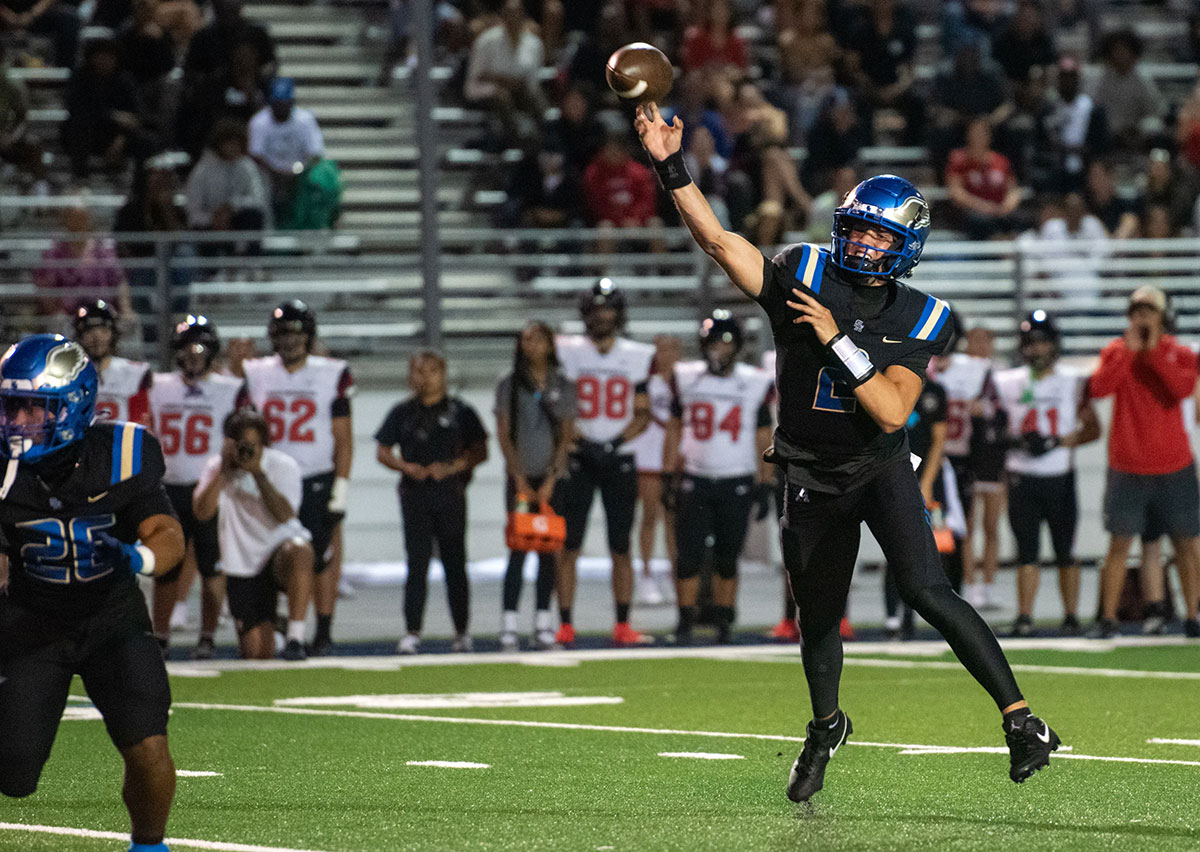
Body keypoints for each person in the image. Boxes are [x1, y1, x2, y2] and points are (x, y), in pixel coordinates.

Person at [635, 101, 1061, 803]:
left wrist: (834, 337)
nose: (861, 244)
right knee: (819, 617)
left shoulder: (923, 314)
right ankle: (826, 726)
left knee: (928, 590)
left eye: (877, 234)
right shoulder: (803, 268)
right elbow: (717, 241)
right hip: (809, 468)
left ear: (906, 245)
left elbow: (892, 410)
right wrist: (670, 166)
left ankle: (1021, 721)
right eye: (856, 229)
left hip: (878, 465)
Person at [0, 334, 185, 852]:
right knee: (14, 774)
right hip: (33, 621)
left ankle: (149, 847)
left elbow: (168, 534)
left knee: (148, 744)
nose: (17, 421)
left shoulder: (122, 453)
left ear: (75, 406)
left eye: (33, 408)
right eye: (11, 406)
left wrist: (135, 558)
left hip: (112, 617)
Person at [1088, 286, 1200, 638]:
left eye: (1149, 311)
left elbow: (1181, 389)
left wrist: (1151, 354)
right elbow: (1099, 389)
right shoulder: (1116, 351)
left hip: (1174, 463)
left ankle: (1192, 616)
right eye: (1137, 311)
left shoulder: (1180, 353)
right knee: (1119, 544)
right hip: (1127, 465)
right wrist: (1129, 353)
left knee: (1186, 543)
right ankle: (1108, 619)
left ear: (1163, 316)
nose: (1142, 317)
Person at [242, 301, 353, 655]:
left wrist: (341, 489)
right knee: (267, 555)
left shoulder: (331, 372)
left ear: (309, 336)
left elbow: (343, 437)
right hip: (269, 480)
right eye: (283, 334)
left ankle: (322, 631)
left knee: (319, 557)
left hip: (314, 478)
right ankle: (278, 624)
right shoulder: (257, 371)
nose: (290, 341)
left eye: (297, 334)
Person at [663, 311, 774, 645]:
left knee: (728, 557)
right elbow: (673, 428)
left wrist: (765, 481)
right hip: (695, 477)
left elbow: (763, 436)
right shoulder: (686, 377)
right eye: (713, 342)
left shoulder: (753, 381)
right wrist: (668, 474)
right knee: (688, 556)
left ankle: (725, 619)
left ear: (737, 346)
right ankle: (684, 620)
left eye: (725, 342)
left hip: (736, 478)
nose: (718, 349)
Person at [555, 279, 654, 647]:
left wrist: (614, 442)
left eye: (609, 309)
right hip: (579, 455)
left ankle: (623, 623)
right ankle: (565, 624)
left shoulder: (636, 354)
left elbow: (642, 413)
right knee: (569, 544)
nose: (603, 316)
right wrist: (579, 440)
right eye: (597, 310)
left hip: (618, 456)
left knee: (621, 545)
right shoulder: (567, 351)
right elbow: (560, 407)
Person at [993, 311, 1100, 637]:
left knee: (1065, 550)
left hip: (1059, 476)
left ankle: (1071, 616)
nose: (1036, 349)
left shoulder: (1073, 380)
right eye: (1031, 343)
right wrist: (1012, 440)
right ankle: (1025, 617)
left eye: (1042, 342)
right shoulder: (1006, 381)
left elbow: (1093, 429)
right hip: (1021, 475)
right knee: (1026, 552)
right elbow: (992, 428)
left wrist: (1058, 441)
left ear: (1054, 344)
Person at [148, 317, 248, 659]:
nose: (193, 356)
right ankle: (160, 637)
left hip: (210, 486)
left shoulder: (230, 388)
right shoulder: (157, 386)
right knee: (165, 567)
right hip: (167, 486)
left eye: (200, 349)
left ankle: (207, 637)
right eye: (187, 350)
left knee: (211, 566)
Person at [376, 351, 488, 654]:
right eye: (419, 371)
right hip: (415, 496)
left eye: (432, 371)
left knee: (455, 563)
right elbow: (383, 450)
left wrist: (451, 468)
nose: (425, 378)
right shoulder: (402, 412)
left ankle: (461, 631)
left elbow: (480, 450)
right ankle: (412, 631)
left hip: (450, 495)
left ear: (443, 374)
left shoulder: (460, 411)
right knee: (417, 564)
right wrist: (406, 467)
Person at [193, 408, 313, 661]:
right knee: (256, 653)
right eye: (241, 444)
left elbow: (286, 515)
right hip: (242, 563)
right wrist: (223, 471)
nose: (246, 451)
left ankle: (295, 638)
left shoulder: (282, 465)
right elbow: (201, 512)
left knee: (301, 550)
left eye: (253, 444)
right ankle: (275, 630)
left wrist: (258, 473)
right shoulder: (217, 467)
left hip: (278, 552)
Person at [494, 323, 574, 650]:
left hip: (551, 480)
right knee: (518, 547)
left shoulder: (563, 384)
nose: (532, 346)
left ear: (550, 344)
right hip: (521, 479)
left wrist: (552, 477)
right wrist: (519, 478)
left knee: (548, 549)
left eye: (539, 339)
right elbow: (504, 433)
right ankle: (509, 621)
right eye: (526, 340)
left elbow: (566, 435)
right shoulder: (509, 384)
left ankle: (543, 620)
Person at [935, 324, 1002, 610]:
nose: (979, 344)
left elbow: (1001, 411)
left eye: (985, 339)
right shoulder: (947, 368)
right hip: (956, 455)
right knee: (964, 525)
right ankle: (968, 584)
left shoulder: (991, 372)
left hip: (985, 454)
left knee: (990, 525)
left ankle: (986, 586)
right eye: (975, 339)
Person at [628, 334, 681, 607]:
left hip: (677, 458)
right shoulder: (646, 384)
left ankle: (675, 574)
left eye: (671, 349)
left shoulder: (687, 384)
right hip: (649, 455)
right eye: (662, 349)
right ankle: (646, 575)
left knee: (674, 520)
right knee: (649, 516)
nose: (667, 354)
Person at [74, 299, 152, 427]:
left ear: (113, 335)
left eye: (103, 331)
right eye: (89, 332)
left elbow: (140, 423)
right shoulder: (69, 373)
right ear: (80, 336)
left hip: (122, 439)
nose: (97, 338)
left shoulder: (133, 372)